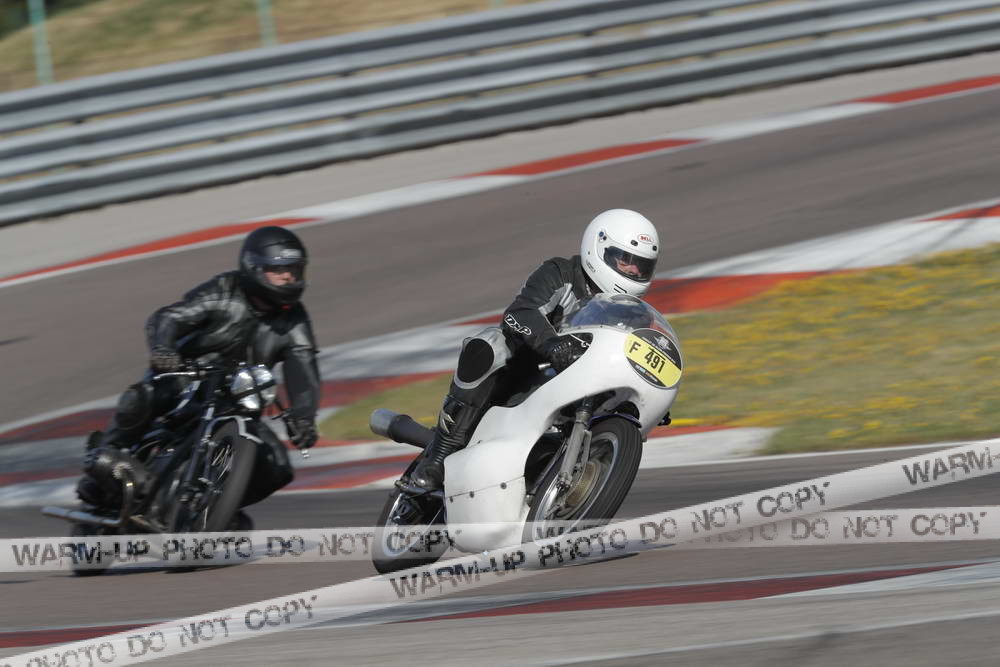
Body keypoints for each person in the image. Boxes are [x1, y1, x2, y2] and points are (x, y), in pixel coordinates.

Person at [406, 209, 661, 493]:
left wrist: (649, 390)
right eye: (625, 260)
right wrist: (551, 344)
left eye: (641, 266)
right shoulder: (560, 273)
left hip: (581, 389)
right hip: (524, 371)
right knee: (490, 345)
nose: (633, 271)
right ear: (598, 247)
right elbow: (520, 312)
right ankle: (441, 453)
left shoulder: (636, 314)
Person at [77, 226, 322, 519]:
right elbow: (170, 317)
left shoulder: (295, 319)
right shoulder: (224, 290)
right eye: (278, 270)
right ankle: (105, 456)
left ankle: (217, 506)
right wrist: (164, 349)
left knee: (278, 467)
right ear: (254, 268)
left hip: (240, 403)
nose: (288, 277)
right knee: (145, 396)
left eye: (293, 270)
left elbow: (304, 369)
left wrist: (304, 418)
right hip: (187, 380)